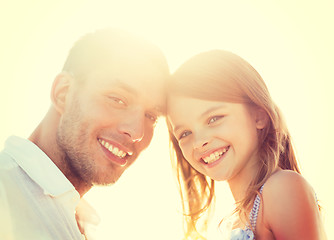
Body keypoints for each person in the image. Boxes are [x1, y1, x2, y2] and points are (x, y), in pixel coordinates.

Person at [0, 28, 170, 239]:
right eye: (117, 99)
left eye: (151, 116)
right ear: (63, 94)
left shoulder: (82, 223)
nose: (137, 132)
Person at [166, 50, 327, 239]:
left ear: (258, 116)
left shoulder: (282, 189)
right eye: (185, 133)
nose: (199, 142)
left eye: (214, 119)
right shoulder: (238, 219)